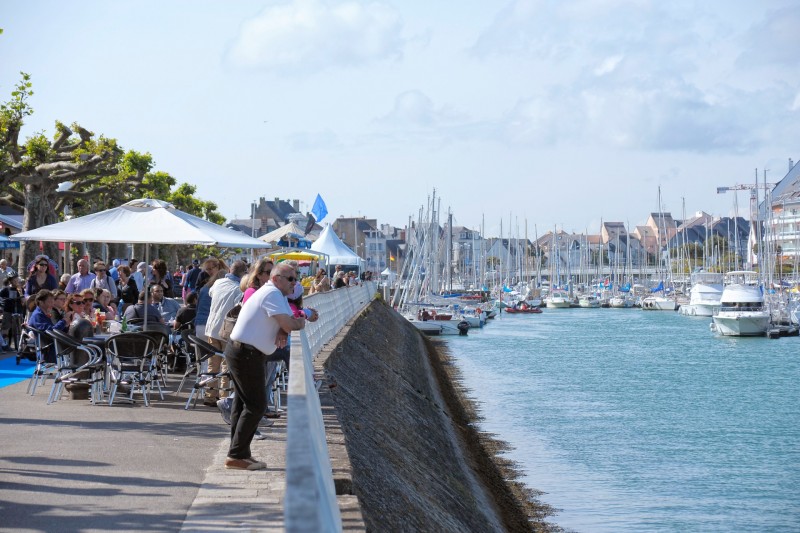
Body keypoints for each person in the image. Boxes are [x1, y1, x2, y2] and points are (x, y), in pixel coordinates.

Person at [223, 263, 316, 470]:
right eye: (290, 278)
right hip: (245, 353)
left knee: (242, 404)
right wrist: (298, 323)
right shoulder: (272, 294)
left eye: (296, 277)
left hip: (245, 351)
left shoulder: (277, 294)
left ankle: (239, 453)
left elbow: (284, 322)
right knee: (256, 405)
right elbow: (290, 323)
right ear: (276, 279)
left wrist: (284, 328)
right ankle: (237, 454)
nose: (295, 282)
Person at [203, 260, 247, 405]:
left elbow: (210, 294)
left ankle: (210, 395)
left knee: (212, 364)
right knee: (226, 366)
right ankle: (224, 398)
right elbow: (239, 308)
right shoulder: (238, 290)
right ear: (243, 274)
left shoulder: (218, 283)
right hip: (226, 330)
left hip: (211, 328)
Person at [28, 289, 74, 363]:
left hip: (53, 346)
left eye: (53, 302)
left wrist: (66, 324)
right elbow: (51, 332)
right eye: (50, 302)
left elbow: (56, 331)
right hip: (49, 350)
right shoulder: (38, 316)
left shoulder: (42, 314)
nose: (52, 304)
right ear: (40, 302)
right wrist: (64, 320)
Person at [0, 274, 24, 350]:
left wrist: (20, 292)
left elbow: (23, 302)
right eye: (14, 280)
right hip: (8, 310)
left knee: (20, 327)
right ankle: (5, 343)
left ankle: (20, 344)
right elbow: (1, 298)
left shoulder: (20, 289)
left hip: (18, 310)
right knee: (6, 327)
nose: (16, 281)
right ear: (10, 281)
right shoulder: (5, 289)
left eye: (17, 280)